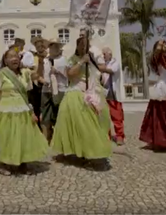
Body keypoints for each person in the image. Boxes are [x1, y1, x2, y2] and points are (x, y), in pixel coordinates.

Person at [51, 36, 112, 164]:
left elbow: (99, 73)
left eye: (86, 45)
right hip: (75, 93)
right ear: (77, 46)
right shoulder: (72, 59)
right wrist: (81, 62)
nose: (84, 47)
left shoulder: (92, 60)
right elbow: (70, 74)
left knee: (91, 124)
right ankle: (71, 151)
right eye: (81, 45)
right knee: (75, 124)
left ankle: (89, 150)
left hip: (90, 93)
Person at [0, 48, 48, 175]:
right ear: (5, 60)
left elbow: (38, 76)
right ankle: (5, 163)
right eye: (10, 56)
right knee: (7, 136)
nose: (14, 58)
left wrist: (41, 61)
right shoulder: (1, 74)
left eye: (16, 56)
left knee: (23, 135)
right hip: (6, 109)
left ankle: (23, 161)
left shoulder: (25, 73)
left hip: (22, 108)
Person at [38, 38, 67, 143]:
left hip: (60, 89)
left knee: (60, 114)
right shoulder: (45, 60)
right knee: (45, 114)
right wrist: (41, 80)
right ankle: (46, 138)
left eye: (56, 46)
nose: (54, 48)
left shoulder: (64, 60)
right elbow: (39, 74)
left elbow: (69, 75)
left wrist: (58, 71)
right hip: (46, 90)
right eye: (52, 46)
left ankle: (60, 138)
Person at [101, 47, 124, 145]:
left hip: (112, 93)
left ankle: (120, 136)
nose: (103, 56)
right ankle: (107, 135)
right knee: (104, 116)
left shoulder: (115, 63)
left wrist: (101, 68)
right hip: (104, 92)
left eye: (104, 54)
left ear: (109, 54)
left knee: (117, 116)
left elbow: (112, 71)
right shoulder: (102, 65)